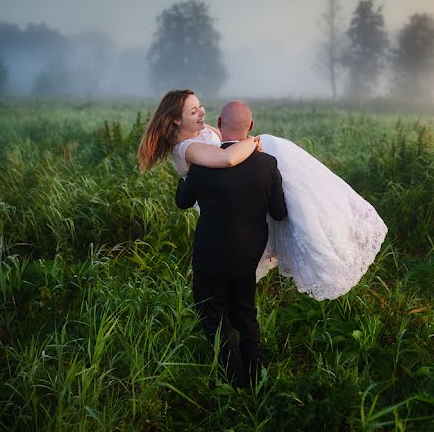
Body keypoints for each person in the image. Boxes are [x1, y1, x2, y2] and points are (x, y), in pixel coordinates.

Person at [137, 89, 388, 301]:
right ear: (177, 121)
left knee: (297, 180)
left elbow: (227, 133)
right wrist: (253, 143)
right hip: (225, 199)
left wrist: (243, 137)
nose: (202, 112)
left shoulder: (199, 131)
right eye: (194, 111)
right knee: (273, 152)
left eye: (200, 106)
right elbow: (227, 157)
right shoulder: (186, 148)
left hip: (239, 185)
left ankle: (334, 217)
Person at [173, 99, 287, 387]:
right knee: (245, 312)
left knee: (212, 315)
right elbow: (279, 213)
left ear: (219, 126)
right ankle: (257, 377)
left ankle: (235, 384)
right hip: (248, 253)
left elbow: (182, 202)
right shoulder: (267, 163)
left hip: (211, 252)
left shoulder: (202, 163)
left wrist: (186, 174)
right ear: (251, 126)